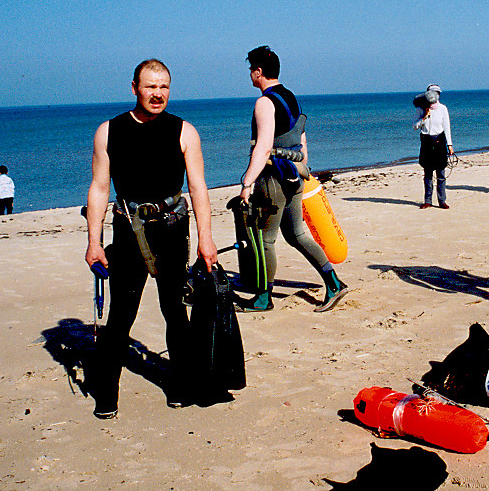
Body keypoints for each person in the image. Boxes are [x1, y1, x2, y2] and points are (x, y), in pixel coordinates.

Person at [84, 59, 218, 419]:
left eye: (164, 87)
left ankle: (181, 385)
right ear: (135, 88)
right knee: (120, 315)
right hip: (128, 230)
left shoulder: (184, 131)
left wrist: (206, 239)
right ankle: (106, 394)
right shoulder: (109, 131)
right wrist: (94, 241)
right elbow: (99, 188)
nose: (157, 94)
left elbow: (198, 188)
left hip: (172, 227)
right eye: (150, 86)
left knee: (174, 310)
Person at [240, 45, 348, 313]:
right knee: (296, 234)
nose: (250, 74)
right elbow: (301, 138)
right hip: (296, 174)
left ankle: (263, 298)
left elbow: (263, 147)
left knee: (266, 240)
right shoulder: (292, 98)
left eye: (251, 69)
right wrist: (303, 168)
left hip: (273, 178)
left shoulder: (265, 102)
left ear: (259, 71)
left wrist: (247, 182)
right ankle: (334, 283)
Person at [413, 84, 454, 209]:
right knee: (428, 173)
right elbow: (415, 126)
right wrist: (424, 117)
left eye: (437, 93)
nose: (435, 95)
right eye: (433, 93)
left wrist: (450, 145)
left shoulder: (442, 108)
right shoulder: (420, 109)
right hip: (426, 141)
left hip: (439, 141)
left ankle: (442, 201)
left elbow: (447, 127)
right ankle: (428, 201)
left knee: (441, 173)